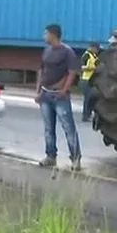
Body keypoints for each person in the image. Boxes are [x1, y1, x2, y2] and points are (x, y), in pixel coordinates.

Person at [35, 24, 82, 170]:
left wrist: (64, 90)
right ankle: (50, 156)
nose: (44, 36)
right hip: (45, 94)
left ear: (53, 35)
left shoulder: (67, 52)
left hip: (59, 96)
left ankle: (75, 158)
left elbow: (72, 72)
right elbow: (41, 71)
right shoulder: (47, 51)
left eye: (46, 34)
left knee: (68, 128)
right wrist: (38, 91)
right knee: (48, 128)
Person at [79, 42, 100, 122]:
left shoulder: (94, 56)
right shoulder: (86, 55)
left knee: (92, 98)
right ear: (92, 47)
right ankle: (85, 116)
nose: (97, 50)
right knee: (88, 98)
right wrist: (93, 68)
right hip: (85, 80)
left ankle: (89, 114)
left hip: (92, 80)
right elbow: (83, 67)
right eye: (96, 49)